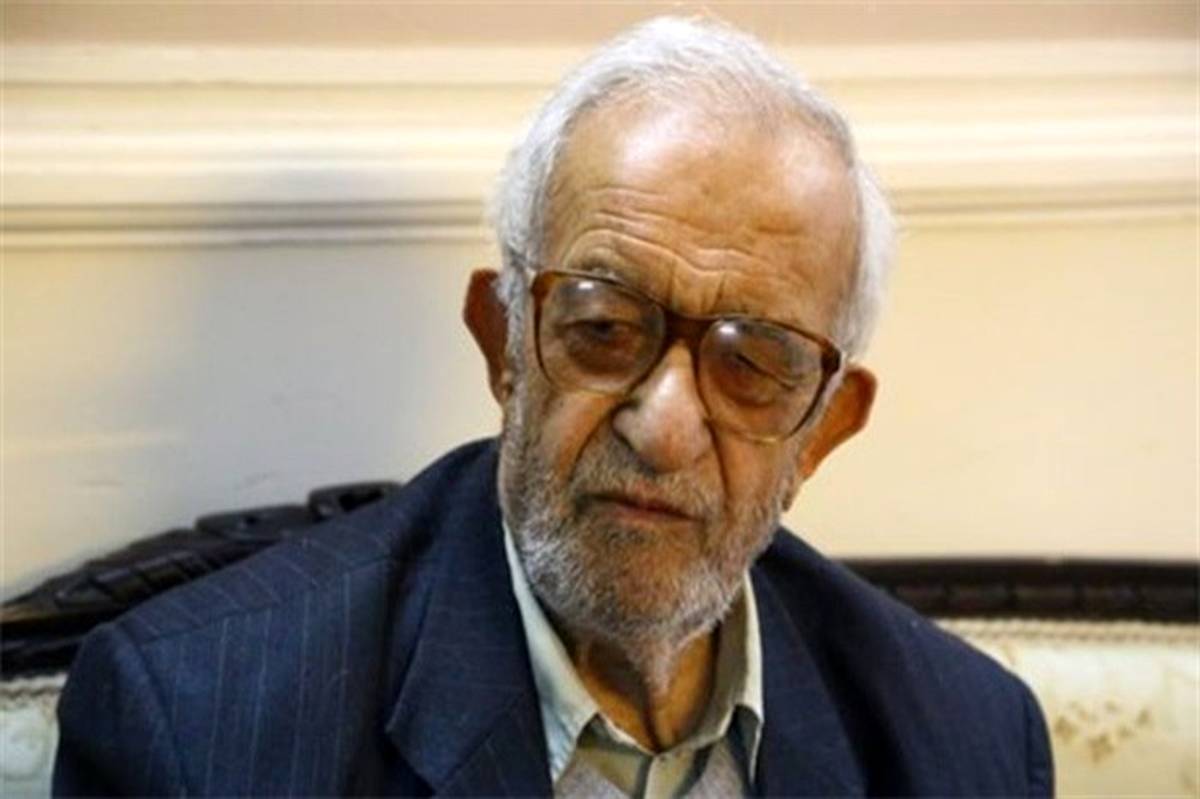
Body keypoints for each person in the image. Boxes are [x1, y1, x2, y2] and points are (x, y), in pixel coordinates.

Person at [54, 16, 1053, 797]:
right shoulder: (199, 723)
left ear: (820, 432)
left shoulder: (966, 742)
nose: (665, 428)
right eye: (605, 327)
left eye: (752, 363)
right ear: (505, 344)